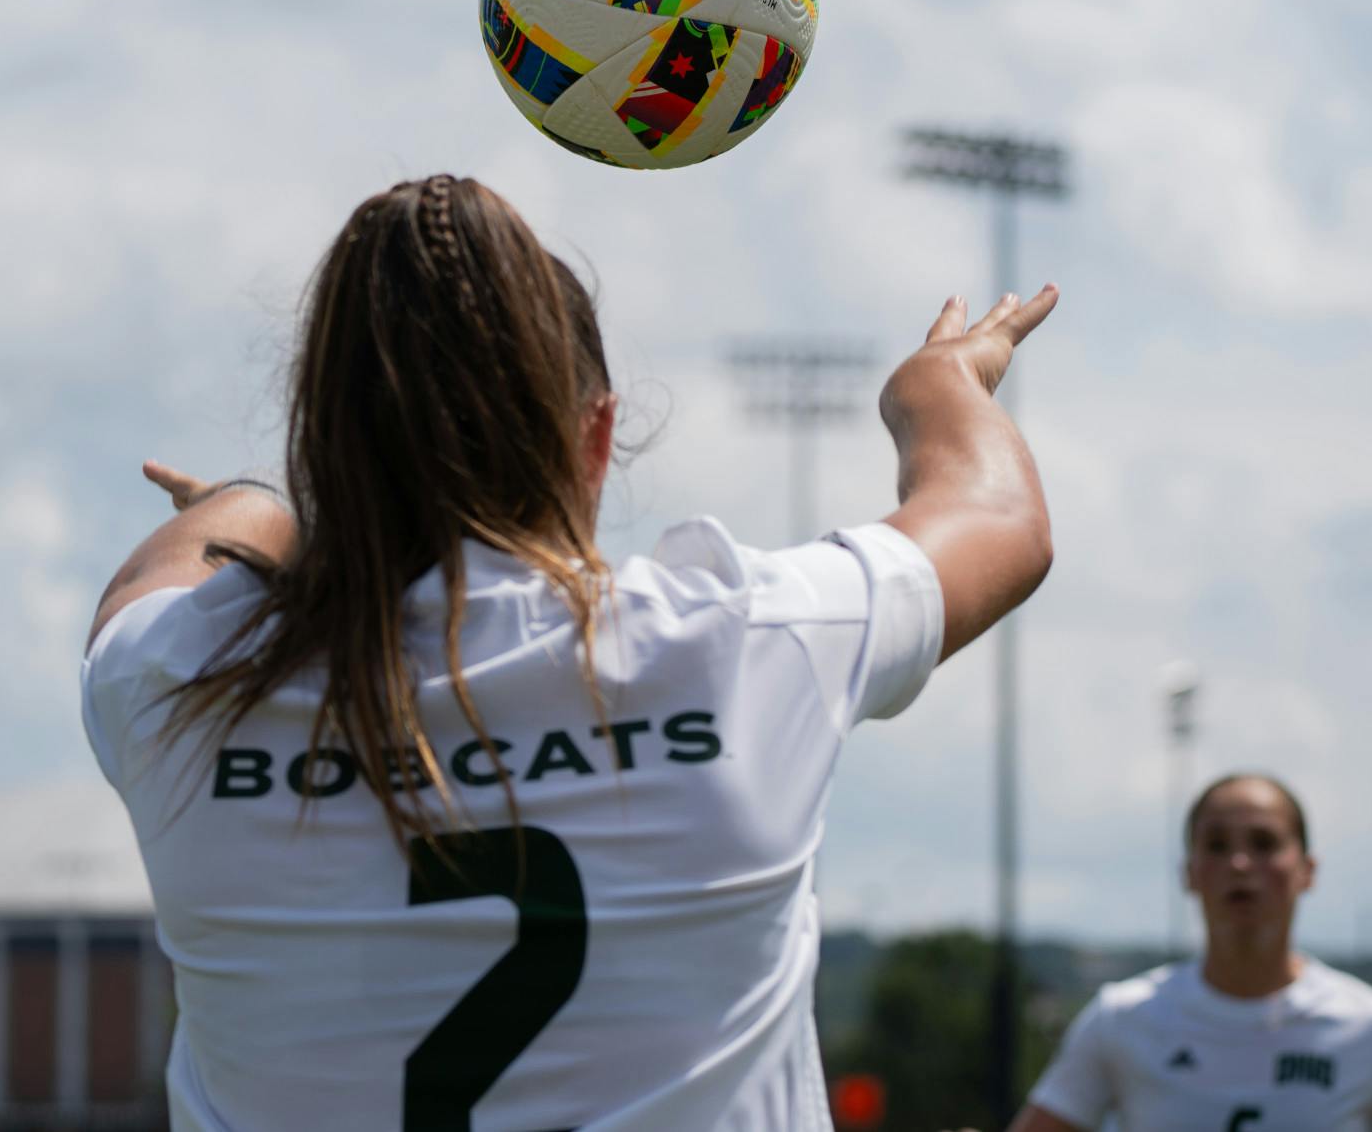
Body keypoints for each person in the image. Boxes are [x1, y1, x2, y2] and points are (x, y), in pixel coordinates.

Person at [82, 174, 1056, 1131]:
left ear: (324, 446)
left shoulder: (179, 686)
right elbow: (997, 519)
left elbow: (167, 571)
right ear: (595, 439)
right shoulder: (735, 645)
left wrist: (256, 504)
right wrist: (936, 382)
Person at [1007, 774, 1372, 1132]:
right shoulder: (1121, 1019)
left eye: (1264, 843)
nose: (1240, 863)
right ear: (1189, 873)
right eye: (1216, 845)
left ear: (1307, 870)